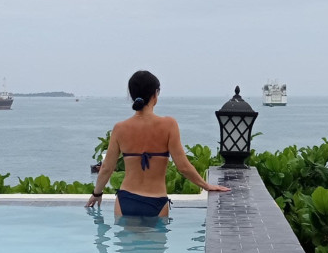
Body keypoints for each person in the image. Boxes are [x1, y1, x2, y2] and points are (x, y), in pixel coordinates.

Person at [86, 71, 231, 217]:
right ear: (155, 94)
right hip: (156, 202)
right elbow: (183, 167)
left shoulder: (120, 128)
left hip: (126, 200)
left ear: (132, 95)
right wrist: (206, 185)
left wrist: (97, 193)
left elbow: (107, 168)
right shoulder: (169, 125)